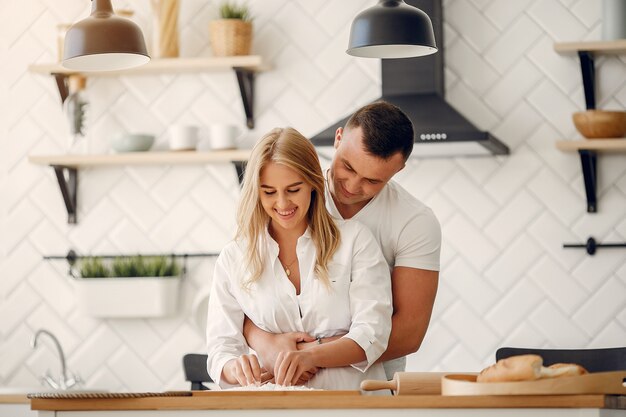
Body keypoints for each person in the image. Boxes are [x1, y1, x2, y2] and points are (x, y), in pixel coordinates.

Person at [244, 101, 441, 381]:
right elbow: (245, 292)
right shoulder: (290, 197)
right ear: (338, 139)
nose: (351, 185)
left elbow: (409, 332)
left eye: (372, 181)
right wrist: (266, 343)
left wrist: (311, 355)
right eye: (347, 166)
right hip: (284, 379)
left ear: (398, 170)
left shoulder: (415, 222)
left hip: (371, 385)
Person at [205, 127, 393, 390]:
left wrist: (309, 356)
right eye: (269, 192)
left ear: (313, 184)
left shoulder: (355, 241)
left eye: (293, 189)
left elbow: (373, 334)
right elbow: (220, 347)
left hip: (351, 406)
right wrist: (234, 368)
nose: (282, 203)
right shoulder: (234, 258)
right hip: (273, 407)